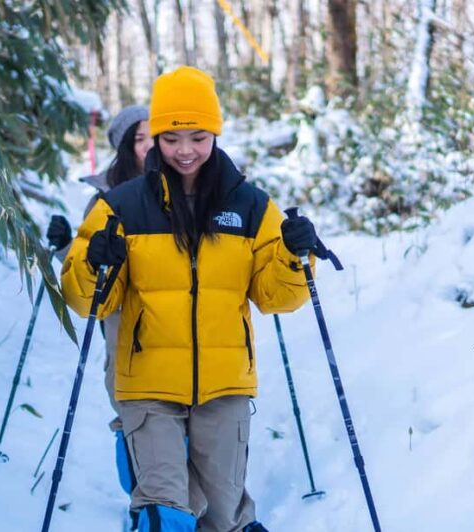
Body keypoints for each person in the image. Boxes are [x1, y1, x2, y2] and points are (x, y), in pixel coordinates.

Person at [61, 66, 318, 532]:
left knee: (223, 517)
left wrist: (294, 256)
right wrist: (95, 263)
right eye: (171, 138)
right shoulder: (119, 206)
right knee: (166, 512)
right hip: (147, 387)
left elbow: (275, 297)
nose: (185, 151)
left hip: (224, 387)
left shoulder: (251, 207)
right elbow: (89, 303)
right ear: (155, 137)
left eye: (198, 137)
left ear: (215, 134)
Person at [46, 105, 153, 523]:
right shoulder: (105, 200)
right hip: (124, 325)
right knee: (131, 412)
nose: (150, 146)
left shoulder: (189, 188)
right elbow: (87, 267)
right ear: (125, 148)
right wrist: (62, 247)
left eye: (154, 136)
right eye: (139, 139)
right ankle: (143, 504)